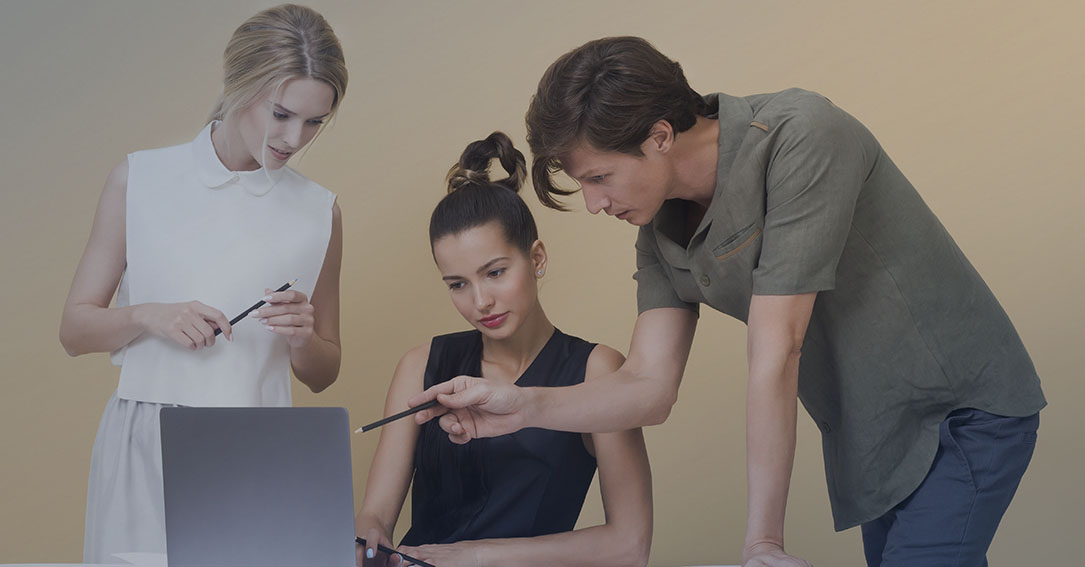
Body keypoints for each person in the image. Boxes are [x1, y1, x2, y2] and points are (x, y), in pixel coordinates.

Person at [410, 37, 1046, 567]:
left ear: (659, 135)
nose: (595, 203)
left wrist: (762, 541)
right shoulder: (657, 223)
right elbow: (648, 388)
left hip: (958, 411)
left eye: (599, 178)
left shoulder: (801, 136)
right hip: (869, 434)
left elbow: (778, 347)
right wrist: (517, 405)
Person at [58, 5, 348, 562]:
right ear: (239, 85)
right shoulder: (139, 179)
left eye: (315, 121)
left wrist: (302, 337)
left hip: (258, 452)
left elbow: (323, 374)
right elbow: (74, 330)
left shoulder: (320, 212)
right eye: (282, 113)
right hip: (145, 443)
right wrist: (147, 315)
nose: (295, 138)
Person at [354, 132, 652, 567]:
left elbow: (629, 547)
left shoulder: (597, 371)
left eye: (494, 272)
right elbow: (374, 515)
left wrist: (470, 557)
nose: (480, 302)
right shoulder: (421, 366)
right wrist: (367, 541)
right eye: (457, 284)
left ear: (537, 259)